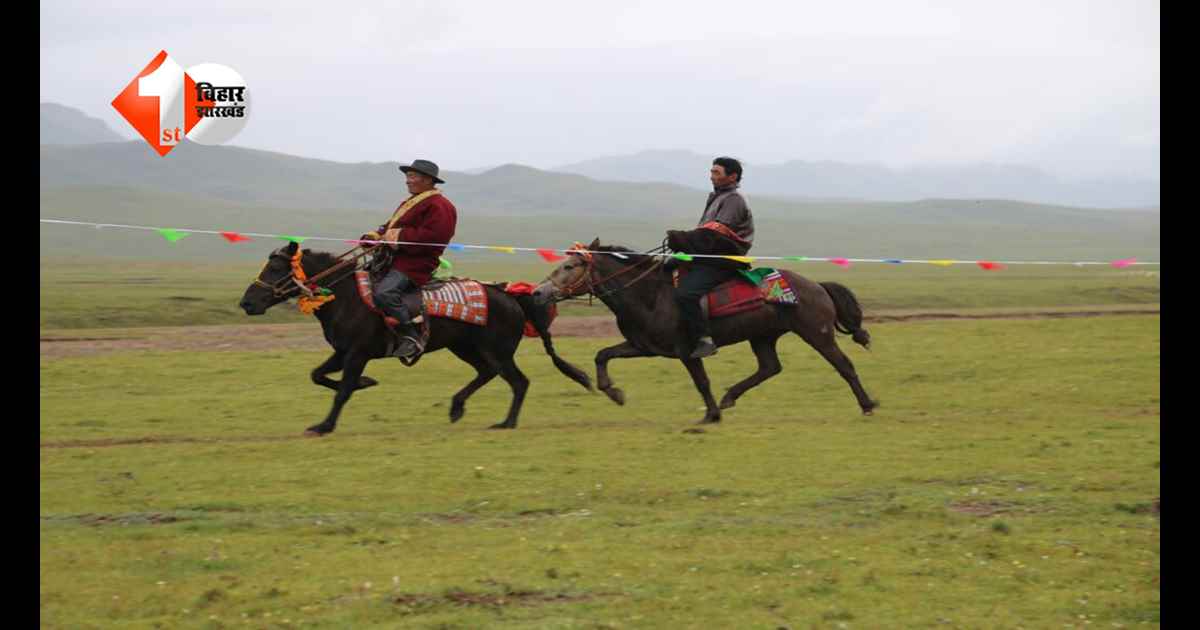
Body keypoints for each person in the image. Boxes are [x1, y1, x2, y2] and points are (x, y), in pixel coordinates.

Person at [361, 159, 458, 359]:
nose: (408, 181)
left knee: (384, 293)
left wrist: (395, 237)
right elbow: (390, 227)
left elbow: (434, 237)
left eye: (413, 176)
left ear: (428, 180)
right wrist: (375, 236)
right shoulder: (411, 202)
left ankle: (411, 336)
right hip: (393, 260)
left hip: (415, 264)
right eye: (407, 176)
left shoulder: (441, 206)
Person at [665, 156, 755, 359]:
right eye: (711, 171)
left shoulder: (734, 200)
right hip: (707, 256)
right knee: (665, 269)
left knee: (685, 294)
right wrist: (683, 247)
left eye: (717, 173)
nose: (711, 176)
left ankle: (703, 339)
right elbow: (705, 233)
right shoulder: (717, 197)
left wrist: (682, 239)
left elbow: (715, 234)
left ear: (732, 177)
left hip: (723, 260)